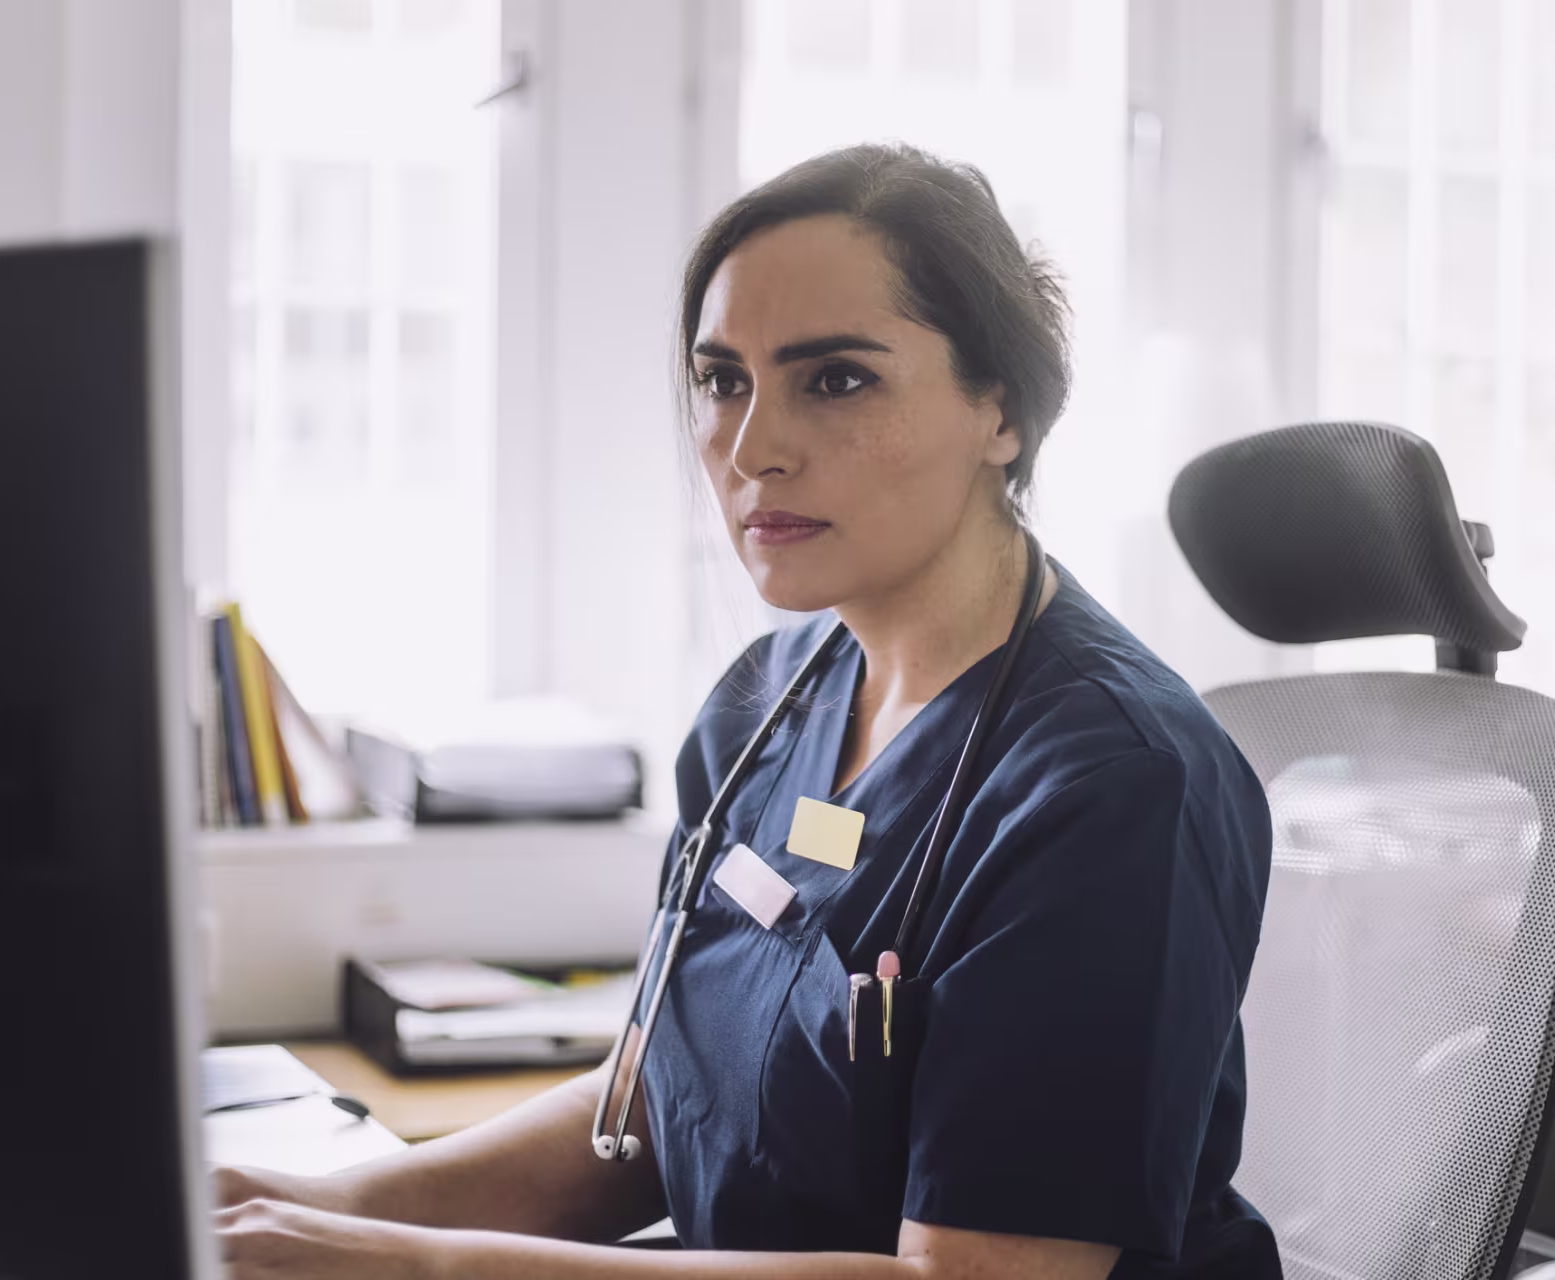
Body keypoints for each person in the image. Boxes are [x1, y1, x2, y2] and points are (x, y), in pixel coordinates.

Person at [214, 143, 1281, 1279]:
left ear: (1001, 412)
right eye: (724, 379)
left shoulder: (1116, 785)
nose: (753, 446)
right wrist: (305, 1206)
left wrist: (425, 1268)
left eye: (835, 378)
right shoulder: (768, 705)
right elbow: (658, 1106)